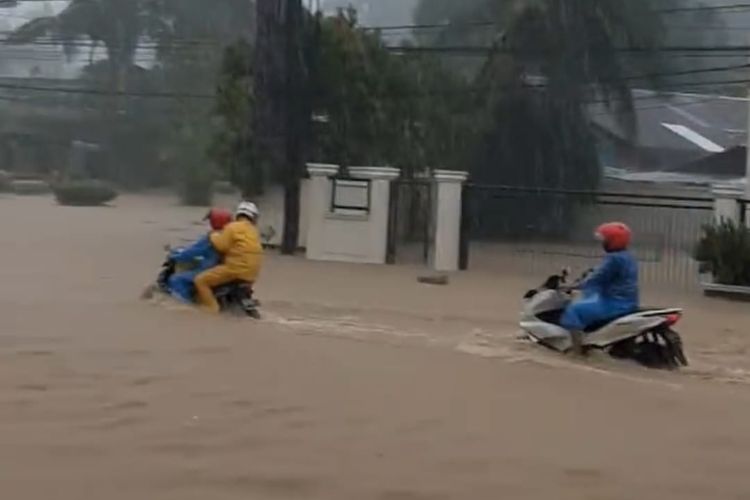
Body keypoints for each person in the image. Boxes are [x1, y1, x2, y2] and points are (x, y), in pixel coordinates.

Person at [560, 222, 639, 354]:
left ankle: (577, 353)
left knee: (573, 311)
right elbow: (600, 273)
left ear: (612, 241)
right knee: (589, 296)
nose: (602, 243)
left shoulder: (613, 259)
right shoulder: (626, 256)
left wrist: (572, 286)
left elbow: (597, 277)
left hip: (614, 303)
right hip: (628, 301)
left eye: (605, 239)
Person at [194, 201, 263, 313]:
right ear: (253, 217)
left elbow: (221, 246)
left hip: (234, 270)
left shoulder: (232, 227)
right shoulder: (254, 231)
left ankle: (212, 309)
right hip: (252, 274)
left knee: (200, 281)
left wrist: (213, 235)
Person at [167, 208, 233, 303]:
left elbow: (190, 253)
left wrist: (174, 256)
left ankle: (184, 307)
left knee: (176, 280)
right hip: (227, 271)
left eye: (211, 220)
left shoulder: (211, 238)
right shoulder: (232, 237)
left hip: (209, 271)